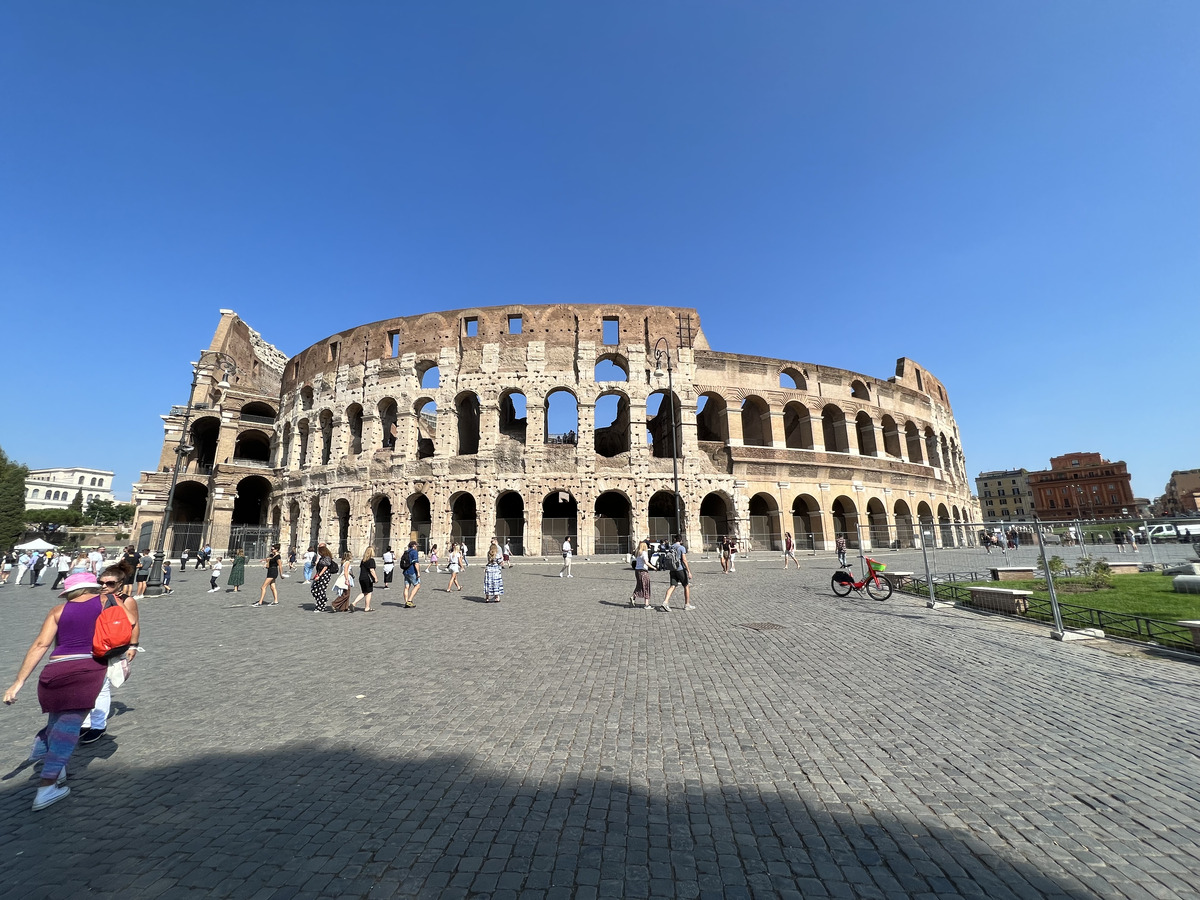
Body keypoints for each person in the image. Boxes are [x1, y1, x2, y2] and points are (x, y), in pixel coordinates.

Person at [3, 572, 118, 810]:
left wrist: (18, 682)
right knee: (67, 730)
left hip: (54, 671)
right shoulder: (106, 602)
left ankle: (57, 768)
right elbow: (126, 628)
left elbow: (41, 645)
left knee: (57, 722)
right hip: (86, 669)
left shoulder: (57, 611)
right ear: (93, 587)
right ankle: (46, 787)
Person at [80, 565, 141, 745]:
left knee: (102, 686)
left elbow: (134, 624)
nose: (104, 586)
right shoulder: (92, 597)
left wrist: (134, 646)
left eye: (110, 583)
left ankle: (98, 725)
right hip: (90, 644)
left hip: (111, 646)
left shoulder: (127, 600)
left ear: (120, 584)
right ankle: (85, 722)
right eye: (101, 582)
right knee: (85, 685)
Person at [660, 534, 694, 611]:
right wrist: (689, 571)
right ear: (681, 540)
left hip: (672, 569)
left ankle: (665, 602)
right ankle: (687, 604)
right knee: (686, 585)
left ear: (675, 539)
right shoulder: (681, 548)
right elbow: (684, 560)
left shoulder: (671, 547)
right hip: (680, 569)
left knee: (672, 585)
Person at [310, 544, 336, 613]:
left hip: (325, 576)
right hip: (319, 574)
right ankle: (323, 599)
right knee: (314, 590)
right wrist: (316, 575)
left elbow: (325, 567)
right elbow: (319, 567)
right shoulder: (322, 558)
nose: (318, 553)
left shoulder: (327, 558)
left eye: (319, 551)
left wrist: (319, 575)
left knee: (321, 590)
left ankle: (320, 607)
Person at [630, 539, 655, 609]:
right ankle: (646, 604)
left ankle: (634, 596)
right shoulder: (644, 553)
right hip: (643, 571)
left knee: (639, 585)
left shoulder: (638, 553)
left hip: (637, 571)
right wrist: (653, 567)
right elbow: (646, 562)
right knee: (646, 586)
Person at [401, 541, 421, 608]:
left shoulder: (406, 552)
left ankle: (406, 602)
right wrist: (418, 572)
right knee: (417, 585)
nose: (416, 547)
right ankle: (409, 601)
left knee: (407, 587)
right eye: (416, 546)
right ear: (414, 546)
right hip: (412, 571)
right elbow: (416, 563)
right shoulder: (414, 552)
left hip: (405, 571)